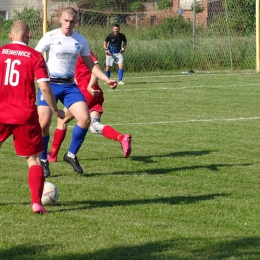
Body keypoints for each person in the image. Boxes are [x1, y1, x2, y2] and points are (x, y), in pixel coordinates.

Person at [35, 7, 117, 177]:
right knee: (43, 124)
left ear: (76, 22)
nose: (68, 24)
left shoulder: (80, 40)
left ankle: (71, 154)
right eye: (66, 20)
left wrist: (106, 79)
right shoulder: (50, 36)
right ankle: (43, 160)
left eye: (72, 21)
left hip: (70, 86)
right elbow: (35, 57)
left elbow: (91, 64)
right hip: (50, 85)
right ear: (60, 20)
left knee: (85, 119)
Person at [0, 21, 64, 214]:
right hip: (25, 115)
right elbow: (44, 87)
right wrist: (55, 110)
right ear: (28, 36)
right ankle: (36, 203)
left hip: (1, 112)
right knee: (34, 159)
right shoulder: (35, 56)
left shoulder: (1, 52)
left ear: (10, 36)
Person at [47, 51, 132, 163]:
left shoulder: (81, 52)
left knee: (62, 119)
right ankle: (121, 138)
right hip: (96, 94)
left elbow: (95, 68)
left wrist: (89, 86)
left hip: (85, 93)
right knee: (94, 126)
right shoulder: (74, 53)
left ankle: (52, 155)